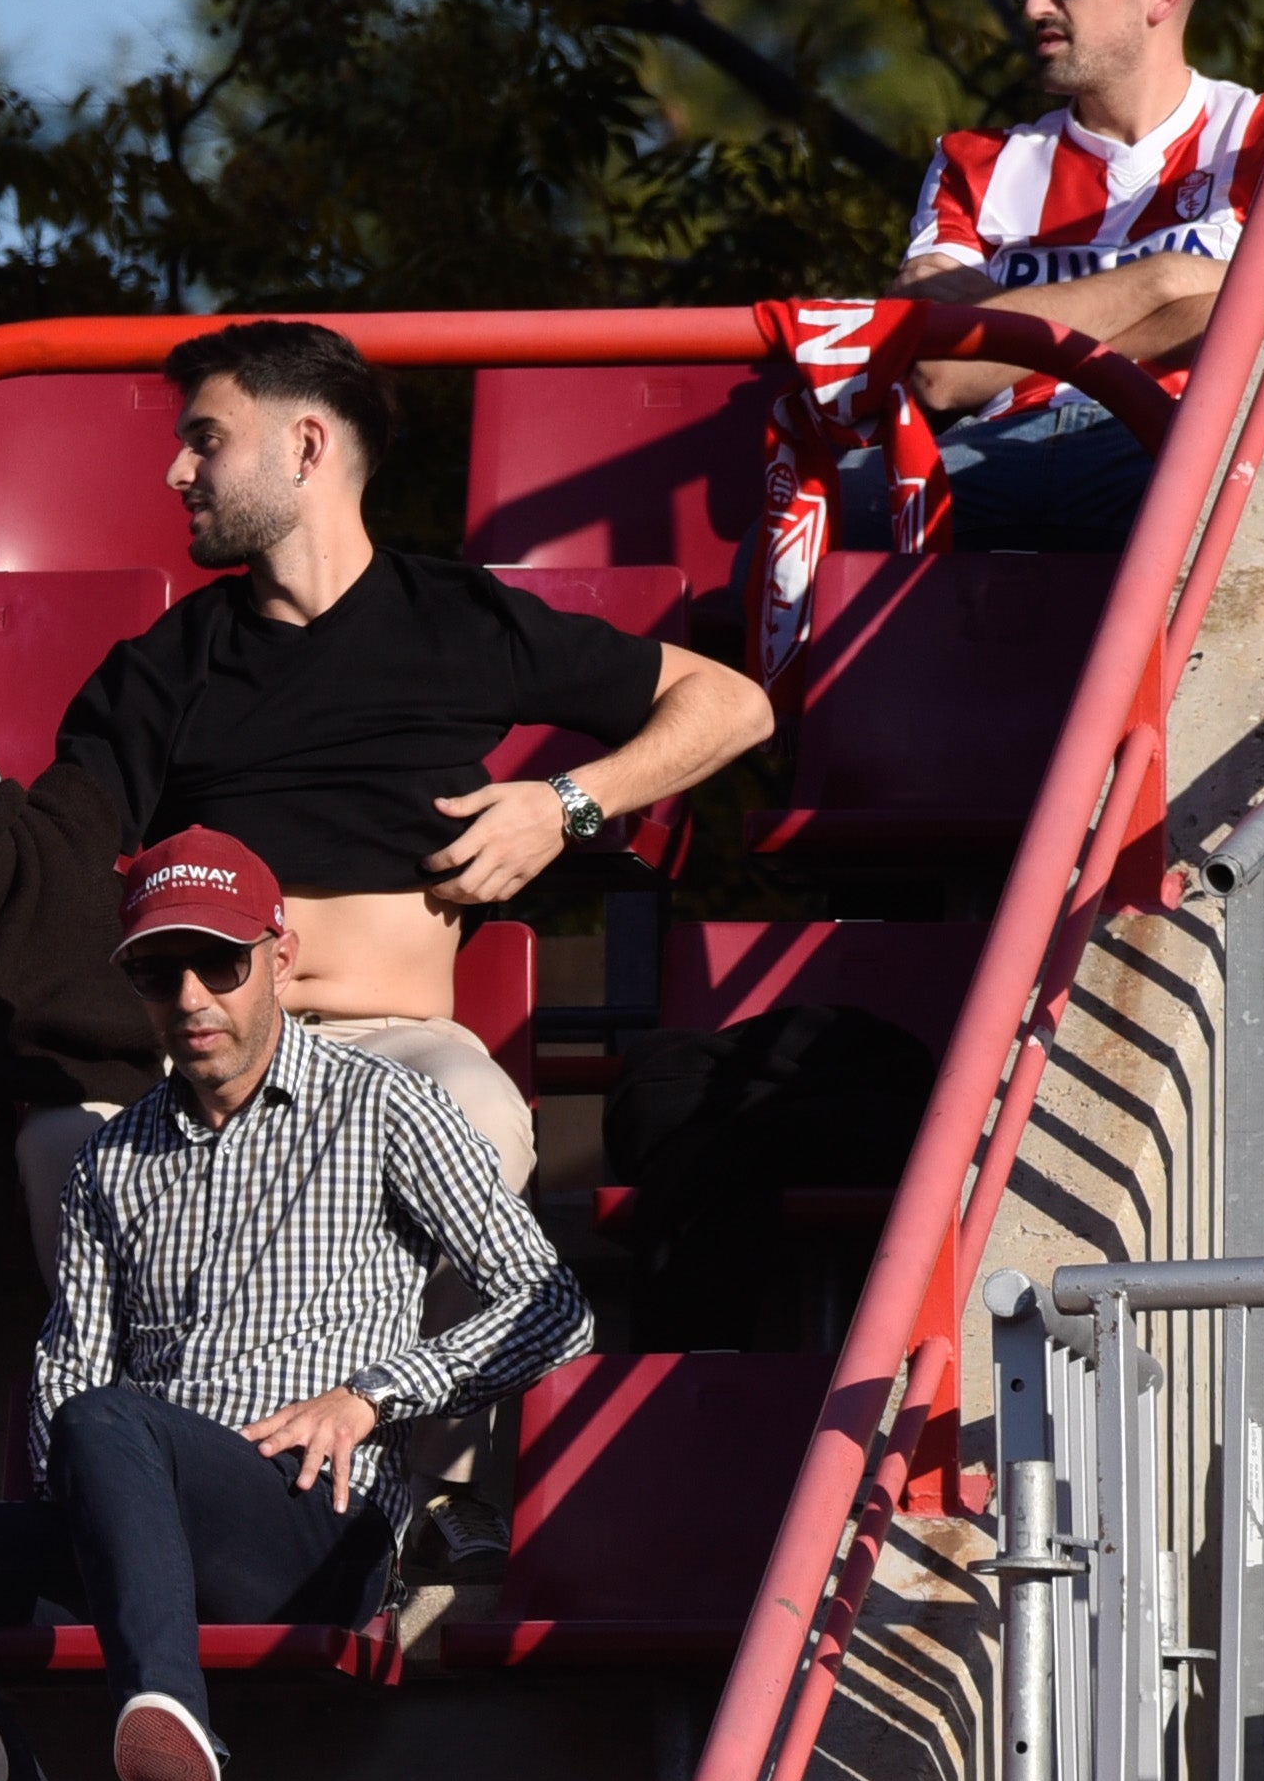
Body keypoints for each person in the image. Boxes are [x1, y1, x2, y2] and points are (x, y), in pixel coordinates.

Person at [0, 832, 593, 1781]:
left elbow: (552, 1306)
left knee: (107, 1420)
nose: (190, 998)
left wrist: (370, 1397)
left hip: (316, 1517)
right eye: (157, 972)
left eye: (218, 965)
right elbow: (73, 1360)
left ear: (279, 958)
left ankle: (170, 1721)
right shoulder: (113, 1159)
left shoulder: (385, 1106)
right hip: (136, 1505)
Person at [52, 319, 776, 1200]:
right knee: (56, 1140)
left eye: (204, 442)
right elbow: (60, 846)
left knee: (468, 1119)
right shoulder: (161, 664)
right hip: (203, 1053)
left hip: (398, 1047)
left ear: (305, 445)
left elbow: (733, 706)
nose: (177, 473)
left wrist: (562, 806)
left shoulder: (456, 620)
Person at [888, 0, 1264, 550]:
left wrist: (1005, 329)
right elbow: (941, 371)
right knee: (784, 546)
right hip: (989, 450)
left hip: (1169, 446)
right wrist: (1165, 285)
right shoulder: (971, 162)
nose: (1034, 2)